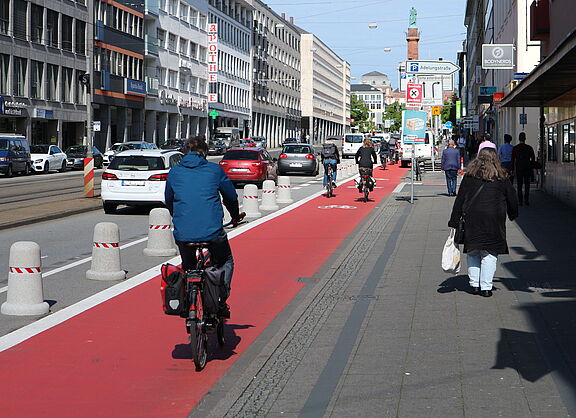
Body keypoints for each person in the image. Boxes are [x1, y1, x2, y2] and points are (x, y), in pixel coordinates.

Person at [165, 136, 245, 318]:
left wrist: (178, 217)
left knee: (188, 266)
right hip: (212, 232)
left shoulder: (175, 172)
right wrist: (234, 216)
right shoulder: (214, 170)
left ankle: (188, 301)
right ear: (205, 153)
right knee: (225, 261)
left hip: (183, 232)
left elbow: (169, 200)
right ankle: (221, 299)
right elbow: (231, 197)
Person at [448, 148, 519, 297]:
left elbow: (460, 200)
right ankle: (486, 287)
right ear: (495, 159)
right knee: (489, 253)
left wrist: (454, 220)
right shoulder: (501, 177)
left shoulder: (469, 176)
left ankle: (474, 284)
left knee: (473, 251)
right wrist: (513, 214)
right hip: (494, 219)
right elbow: (512, 198)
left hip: (472, 218)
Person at [512, 132, 535, 206]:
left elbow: (512, 159)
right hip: (527, 167)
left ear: (519, 139)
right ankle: (526, 200)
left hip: (519, 168)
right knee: (527, 184)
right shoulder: (529, 148)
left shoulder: (515, 148)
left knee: (519, 185)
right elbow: (533, 158)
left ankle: (520, 201)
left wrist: (513, 169)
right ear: (525, 138)